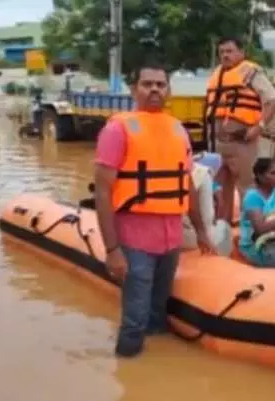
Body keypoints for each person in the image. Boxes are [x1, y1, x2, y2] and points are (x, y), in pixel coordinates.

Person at [93, 62, 215, 358]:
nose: (155, 90)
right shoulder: (118, 128)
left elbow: (186, 185)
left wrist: (201, 231)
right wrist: (112, 249)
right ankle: (128, 369)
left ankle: (157, 374)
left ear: (169, 90)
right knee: (135, 317)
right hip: (135, 239)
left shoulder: (178, 130)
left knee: (159, 313)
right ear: (135, 90)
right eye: (147, 84)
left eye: (161, 84)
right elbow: (103, 190)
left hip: (170, 238)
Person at [205, 37, 275, 223]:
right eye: (222, 52)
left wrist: (259, 127)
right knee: (219, 187)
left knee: (247, 185)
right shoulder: (217, 74)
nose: (225, 55)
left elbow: (274, 101)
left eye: (230, 51)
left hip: (242, 140)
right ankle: (222, 226)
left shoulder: (250, 72)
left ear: (241, 53)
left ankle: (251, 229)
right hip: (218, 142)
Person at [183, 152, 233, 256]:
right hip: (189, 238)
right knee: (224, 228)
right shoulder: (202, 174)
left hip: (153, 237)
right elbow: (207, 221)